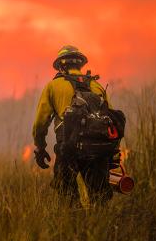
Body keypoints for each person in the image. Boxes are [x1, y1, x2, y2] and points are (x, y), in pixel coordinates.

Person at [32, 45, 118, 204]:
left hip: (69, 147)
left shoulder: (53, 86)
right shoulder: (96, 86)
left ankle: (74, 224)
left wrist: (40, 147)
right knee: (100, 198)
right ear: (80, 65)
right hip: (97, 148)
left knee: (67, 196)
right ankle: (101, 225)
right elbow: (112, 118)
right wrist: (113, 153)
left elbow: (40, 123)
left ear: (61, 65)